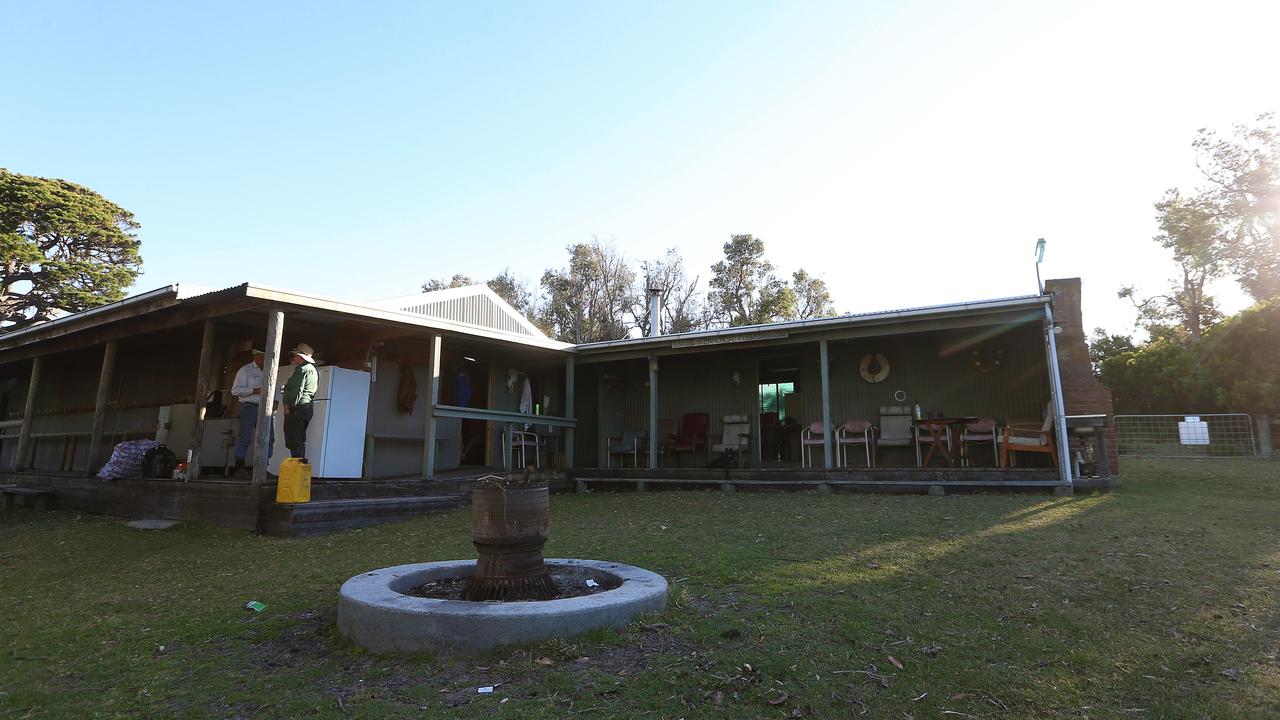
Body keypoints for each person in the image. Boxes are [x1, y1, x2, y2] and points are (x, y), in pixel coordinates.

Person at [229, 348, 273, 479]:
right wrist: (254, 390)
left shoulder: (270, 369)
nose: (265, 358)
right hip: (248, 407)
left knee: (269, 438)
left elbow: (275, 386)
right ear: (256, 356)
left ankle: (264, 468)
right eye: (263, 356)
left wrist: (275, 400)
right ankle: (239, 468)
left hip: (265, 408)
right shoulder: (245, 370)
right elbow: (235, 390)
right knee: (244, 438)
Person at [282, 343, 319, 462]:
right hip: (307, 408)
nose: (294, 358)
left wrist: (288, 406)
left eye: (296, 356)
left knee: (294, 441)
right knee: (299, 440)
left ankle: (297, 469)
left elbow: (295, 391)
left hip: (297, 409)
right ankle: (299, 469)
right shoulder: (313, 369)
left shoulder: (302, 369)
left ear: (301, 357)